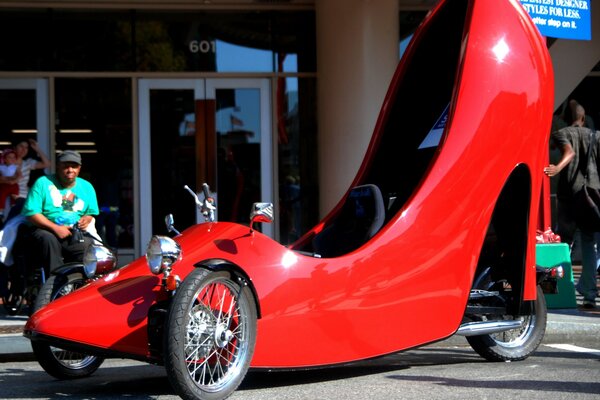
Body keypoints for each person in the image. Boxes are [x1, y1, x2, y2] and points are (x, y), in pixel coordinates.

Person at [544, 104, 599, 309]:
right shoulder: (596, 136)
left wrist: (557, 167)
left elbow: (569, 153)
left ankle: (558, 289)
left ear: (567, 119)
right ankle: (589, 294)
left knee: (563, 242)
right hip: (591, 194)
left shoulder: (562, 132)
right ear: (584, 118)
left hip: (569, 195)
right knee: (589, 242)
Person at [18, 150, 99, 273]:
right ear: (58, 166)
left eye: (74, 166)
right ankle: (56, 285)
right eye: (65, 166)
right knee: (49, 240)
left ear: (79, 168)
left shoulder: (87, 187)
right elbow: (32, 213)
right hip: (44, 229)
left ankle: (80, 286)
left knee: (89, 249)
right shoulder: (43, 183)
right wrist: (55, 228)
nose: (70, 170)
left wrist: (86, 219)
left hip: (74, 232)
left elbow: (90, 213)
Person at [2, 139, 51, 222]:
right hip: (6, 198)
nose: (24, 149)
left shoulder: (28, 163)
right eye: (21, 146)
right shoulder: (5, 163)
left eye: (26, 147)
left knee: (19, 223)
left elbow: (47, 164)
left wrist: (37, 148)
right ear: (14, 148)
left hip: (23, 198)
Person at [0, 149, 21, 217]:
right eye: (9, 157)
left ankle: (14, 210)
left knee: (15, 198)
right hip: (4, 185)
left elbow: (19, 175)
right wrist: (9, 179)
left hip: (13, 185)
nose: (12, 159)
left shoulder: (15, 167)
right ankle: (1, 211)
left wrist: (14, 180)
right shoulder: (1, 167)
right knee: (1, 197)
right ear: (4, 159)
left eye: (13, 157)